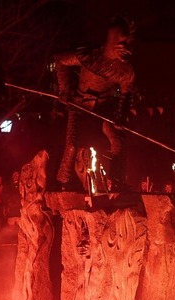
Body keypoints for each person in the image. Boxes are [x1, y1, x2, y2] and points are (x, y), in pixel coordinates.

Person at [54, 15, 137, 191]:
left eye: (130, 44)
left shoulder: (125, 72)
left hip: (106, 107)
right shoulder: (89, 56)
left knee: (117, 140)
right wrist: (65, 90)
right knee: (71, 145)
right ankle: (63, 182)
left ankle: (116, 180)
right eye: (123, 43)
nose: (127, 49)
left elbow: (126, 95)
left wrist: (121, 117)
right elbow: (60, 60)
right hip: (80, 103)